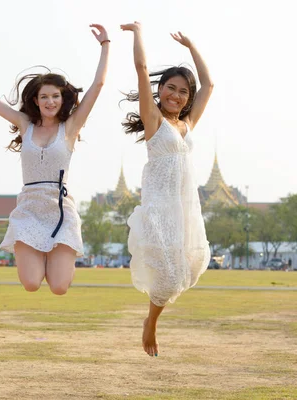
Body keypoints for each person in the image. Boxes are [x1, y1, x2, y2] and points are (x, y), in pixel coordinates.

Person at [0, 25, 110, 295]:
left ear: (63, 100)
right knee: (30, 283)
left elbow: (97, 86)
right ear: (35, 101)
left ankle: (58, 260)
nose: (50, 101)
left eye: (55, 96)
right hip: (29, 208)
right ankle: (37, 256)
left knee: (59, 287)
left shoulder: (70, 128)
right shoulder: (25, 124)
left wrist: (105, 44)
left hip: (60, 209)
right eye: (44, 97)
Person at [121, 22, 214, 357]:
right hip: (160, 205)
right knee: (170, 279)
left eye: (183, 92)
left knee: (191, 267)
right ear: (160, 90)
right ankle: (151, 323)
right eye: (171, 88)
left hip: (185, 207)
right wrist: (137, 32)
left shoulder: (186, 126)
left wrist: (191, 45)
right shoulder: (154, 120)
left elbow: (209, 84)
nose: (176, 95)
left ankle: (150, 319)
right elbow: (142, 68)